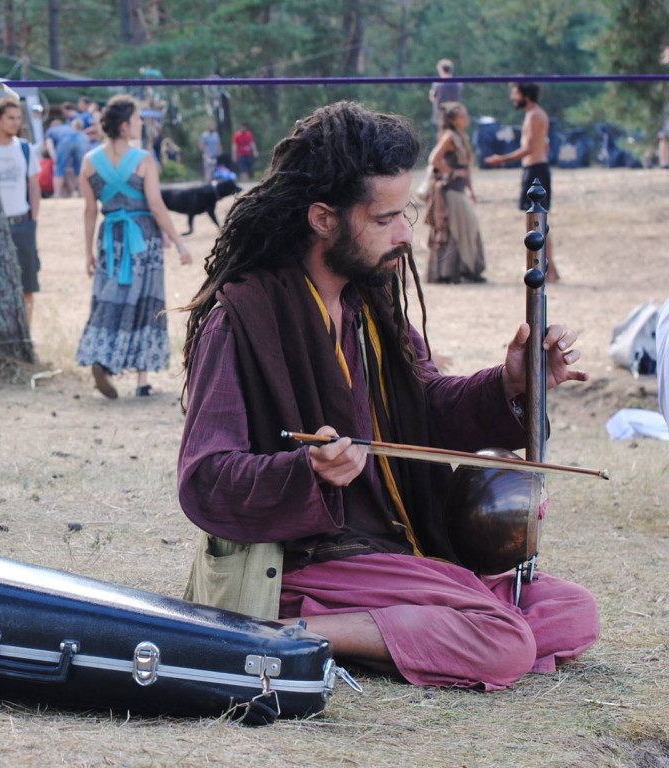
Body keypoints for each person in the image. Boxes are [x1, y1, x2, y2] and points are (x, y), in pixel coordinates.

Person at [177, 101, 598, 690]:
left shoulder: (370, 305)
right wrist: (307, 471)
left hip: (392, 547)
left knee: (572, 611)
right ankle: (279, 634)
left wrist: (510, 383)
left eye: (407, 213)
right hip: (310, 562)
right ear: (323, 219)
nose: (405, 234)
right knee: (503, 642)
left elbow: (427, 409)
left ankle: (415, 623)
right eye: (385, 218)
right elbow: (205, 478)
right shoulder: (241, 319)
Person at [77, 95, 191, 399]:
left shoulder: (89, 161)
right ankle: (142, 380)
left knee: (108, 298)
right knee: (146, 301)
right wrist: (179, 242)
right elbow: (156, 205)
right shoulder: (143, 159)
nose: (141, 123)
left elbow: (90, 210)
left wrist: (88, 252)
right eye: (138, 118)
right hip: (143, 239)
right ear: (125, 126)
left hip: (110, 239)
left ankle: (103, 360)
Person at [485, 82, 559, 282]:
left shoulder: (535, 115)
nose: (513, 98)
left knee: (537, 222)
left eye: (515, 93)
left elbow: (529, 149)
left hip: (536, 170)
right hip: (535, 168)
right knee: (537, 222)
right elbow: (543, 146)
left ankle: (549, 270)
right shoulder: (534, 114)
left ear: (525, 95)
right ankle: (549, 269)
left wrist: (501, 159)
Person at [0, 95, 42, 330]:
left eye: (18, 118)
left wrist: (33, 220)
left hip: (21, 223)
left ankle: (25, 333)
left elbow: (34, 185)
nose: (15, 123)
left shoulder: (24, 148)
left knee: (27, 284)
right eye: (10, 118)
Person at [425, 102, 485, 284]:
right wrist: (453, 172)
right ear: (452, 120)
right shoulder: (449, 137)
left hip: (459, 191)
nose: (466, 118)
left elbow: (466, 169)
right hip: (451, 192)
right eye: (462, 115)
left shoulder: (461, 137)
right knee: (455, 230)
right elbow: (433, 159)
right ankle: (448, 272)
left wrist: (471, 191)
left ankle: (464, 270)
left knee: (467, 228)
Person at [46, 113, 86, 198]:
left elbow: (50, 146)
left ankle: (57, 194)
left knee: (59, 169)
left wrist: (55, 158)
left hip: (65, 141)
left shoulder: (50, 130)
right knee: (79, 169)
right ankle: (81, 193)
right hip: (79, 140)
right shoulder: (68, 127)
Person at [429, 59, 462, 138]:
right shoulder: (458, 84)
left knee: (440, 139)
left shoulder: (437, 84)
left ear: (441, 70)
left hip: (440, 118)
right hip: (455, 118)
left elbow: (433, 98)